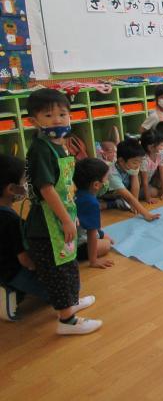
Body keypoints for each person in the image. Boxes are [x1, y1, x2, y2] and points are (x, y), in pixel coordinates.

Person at [23, 88, 102, 335]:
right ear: (34, 121)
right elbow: (46, 189)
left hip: (62, 217)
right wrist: (66, 219)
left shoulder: (59, 145)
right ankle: (66, 321)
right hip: (47, 224)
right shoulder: (41, 149)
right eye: (48, 115)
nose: (57, 120)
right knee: (57, 271)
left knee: (69, 263)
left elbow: (64, 185)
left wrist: (70, 216)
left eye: (62, 114)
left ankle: (71, 301)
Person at [0, 154, 49, 321]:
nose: (27, 185)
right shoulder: (12, 221)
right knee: (62, 290)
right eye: (24, 182)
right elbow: (25, 260)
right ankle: (10, 291)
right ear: (11, 189)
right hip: (11, 272)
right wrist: (42, 269)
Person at [101, 138, 161, 222]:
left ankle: (122, 202)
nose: (138, 165)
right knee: (98, 205)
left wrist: (134, 204)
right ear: (121, 161)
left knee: (153, 191)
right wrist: (146, 214)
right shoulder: (112, 174)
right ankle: (113, 203)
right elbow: (129, 197)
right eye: (135, 162)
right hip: (109, 195)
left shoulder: (133, 165)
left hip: (124, 192)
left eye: (140, 162)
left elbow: (135, 184)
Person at [73, 158, 115, 270]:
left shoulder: (77, 194)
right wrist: (94, 261)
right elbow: (91, 233)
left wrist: (101, 234)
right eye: (106, 179)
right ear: (96, 185)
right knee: (107, 245)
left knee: (105, 236)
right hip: (78, 246)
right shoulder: (92, 203)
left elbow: (88, 224)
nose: (107, 182)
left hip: (75, 237)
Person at [139, 129, 163, 203]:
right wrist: (148, 198)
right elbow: (144, 182)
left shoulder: (159, 155)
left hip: (150, 182)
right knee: (154, 192)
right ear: (150, 148)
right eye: (161, 145)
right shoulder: (144, 160)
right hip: (141, 186)